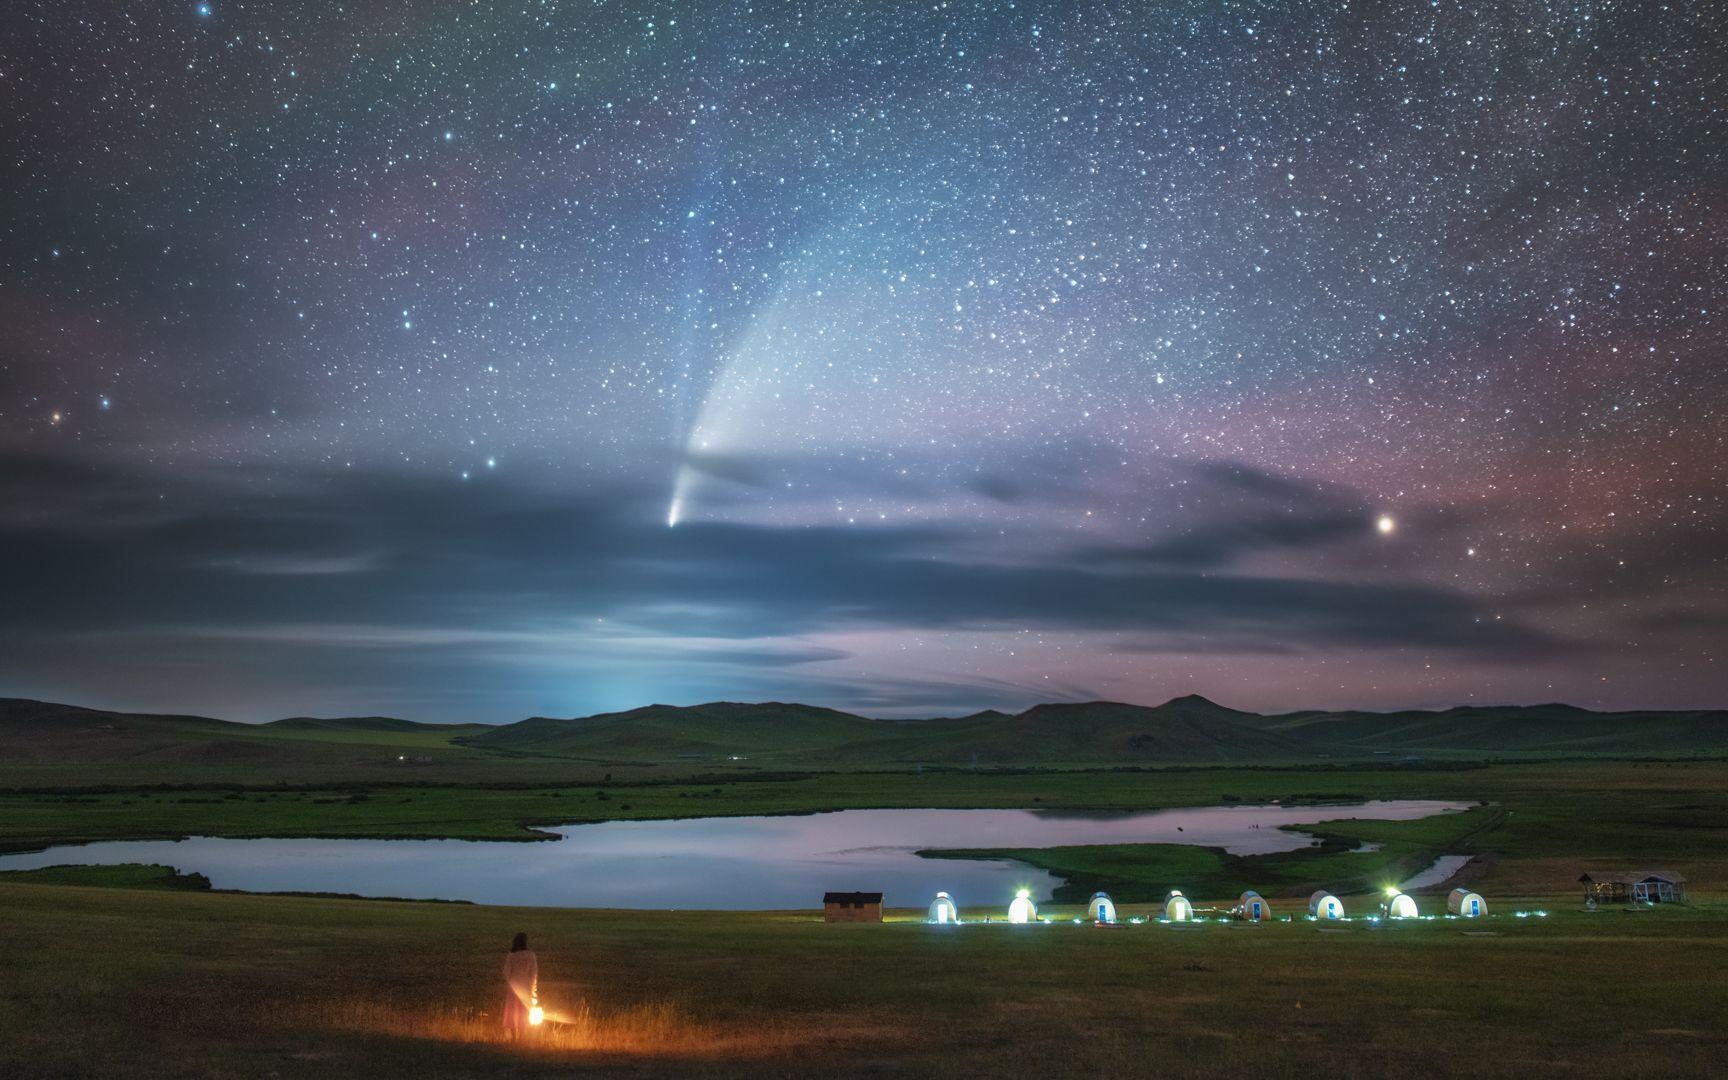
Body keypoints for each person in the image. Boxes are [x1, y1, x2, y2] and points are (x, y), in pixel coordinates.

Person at [501, 932, 539, 1039]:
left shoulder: (511, 955)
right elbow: (534, 974)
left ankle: (513, 1037)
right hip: (526, 986)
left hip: (514, 986)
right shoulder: (531, 955)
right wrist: (533, 990)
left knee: (512, 1010)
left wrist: (510, 982)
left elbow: (506, 972)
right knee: (523, 1011)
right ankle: (522, 1037)